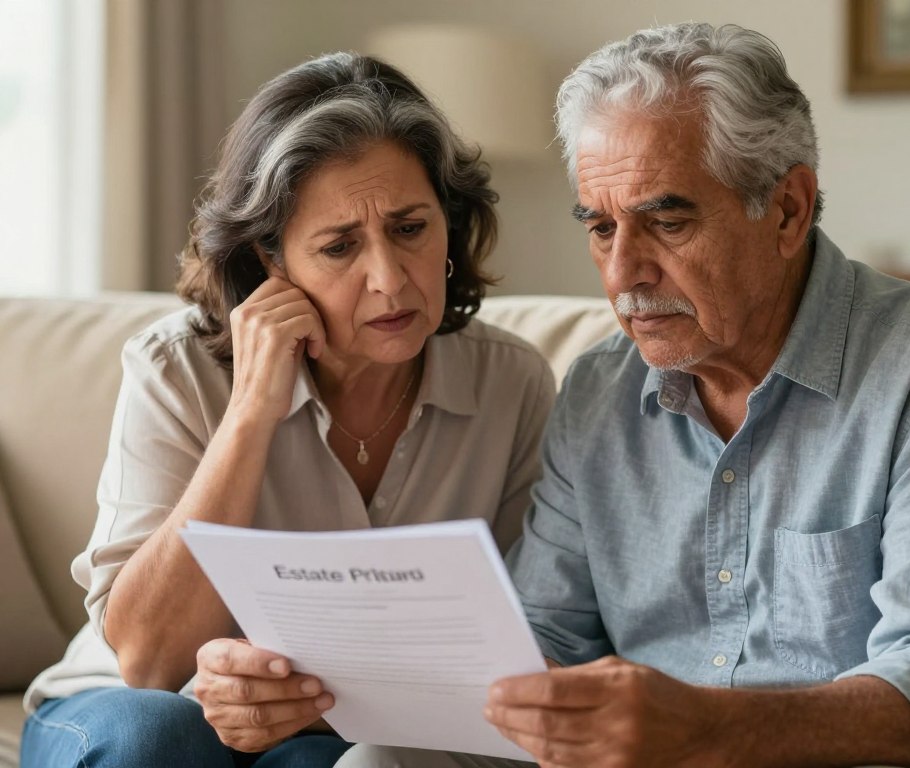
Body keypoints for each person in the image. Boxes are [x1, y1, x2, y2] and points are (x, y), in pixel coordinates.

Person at [333, 21, 910, 768]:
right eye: (600, 228)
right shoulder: (600, 388)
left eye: (666, 221)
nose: (624, 273)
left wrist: (706, 731)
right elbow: (544, 642)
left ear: (787, 210)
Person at [20, 51, 555, 768]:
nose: (390, 280)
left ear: (449, 225)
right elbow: (147, 661)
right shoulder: (174, 368)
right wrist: (251, 412)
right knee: (160, 737)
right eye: (339, 246)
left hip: (332, 731)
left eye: (410, 228)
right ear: (274, 262)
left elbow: (531, 646)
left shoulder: (511, 383)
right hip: (132, 708)